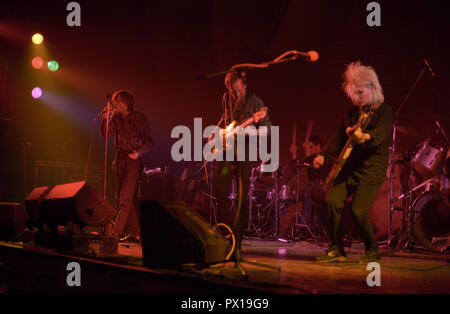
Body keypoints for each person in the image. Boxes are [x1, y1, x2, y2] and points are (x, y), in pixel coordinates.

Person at [313, 61, 393, 262]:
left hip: (371, 169)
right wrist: (323, 154)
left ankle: (372, 250)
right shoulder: (351, 114)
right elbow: (339, 138)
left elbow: (380, 136)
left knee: (359, 210)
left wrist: (364, 137)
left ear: (372, 88)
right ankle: (337, 248)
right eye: (354, 94)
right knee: (330, 201)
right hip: (349, 168)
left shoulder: (384, 112)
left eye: (360, 93)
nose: (357, 98)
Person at [215, 70, 271, 260]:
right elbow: (228, 121)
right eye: (231, 90)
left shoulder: (256, 102)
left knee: (241, 196)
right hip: (228, 151)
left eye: (237, 91)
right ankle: (226, 233)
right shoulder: (226, 98)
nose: (234, 94)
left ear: (244, 85)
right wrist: (220, 133)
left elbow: (267, 130)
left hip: (246, 153)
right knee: (220, 190)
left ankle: (237, 241)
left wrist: (248, 132)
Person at [100, 90, 153, 242]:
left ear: (124, 102)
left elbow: (149, 141)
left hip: (132, 158)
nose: (113, 104)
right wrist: (105, 118)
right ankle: (137, 232)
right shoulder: (115, 118)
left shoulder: (139, 117)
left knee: (125, 198)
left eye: (116, 101)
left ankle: (115, 234)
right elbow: (106, 135)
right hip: (119, 158)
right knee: (120, 199)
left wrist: (138, 153)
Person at [277, 135, 329, 242]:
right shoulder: (310, 158)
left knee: (307, 193)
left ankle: (302, 230)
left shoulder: (325, 158)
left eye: (311, 147)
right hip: (310, 188)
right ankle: (283, 230)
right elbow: (298, 166)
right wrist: (294, 155)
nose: (309, 150)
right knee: (292, 199)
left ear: (318, 146)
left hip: (321, 188)